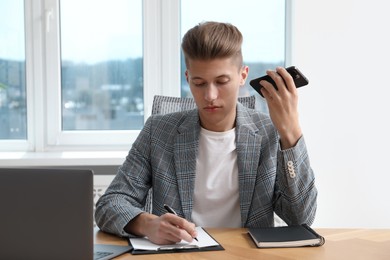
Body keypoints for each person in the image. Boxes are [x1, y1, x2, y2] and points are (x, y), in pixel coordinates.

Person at [95, 21, 317, 245]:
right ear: (187, 78)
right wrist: (147, 223)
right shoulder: (158, 131)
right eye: (199, 83)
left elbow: (301, 218)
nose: (210, 95)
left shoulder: (269, 132)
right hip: (182, 253)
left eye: (222, 81)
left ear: (242, 76)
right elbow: (110, 204)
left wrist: (290, 133)